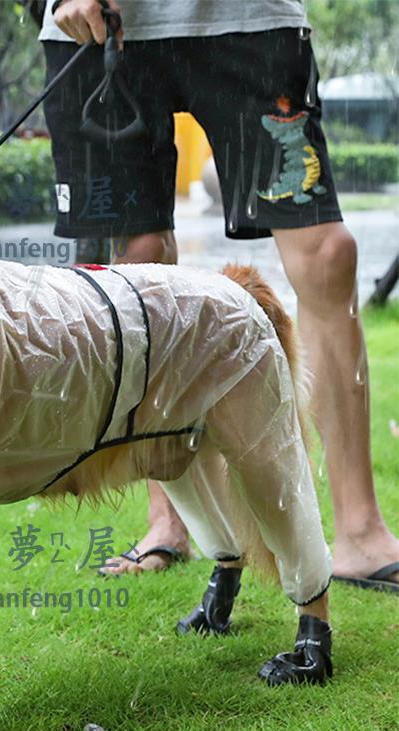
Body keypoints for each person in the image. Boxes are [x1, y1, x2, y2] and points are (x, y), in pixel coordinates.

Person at [39, 0, 398, 591]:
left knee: (328, 256)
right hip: (99, 25)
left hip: (248, 17)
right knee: (138, 261)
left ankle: (360, 531)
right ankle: (168, 519)